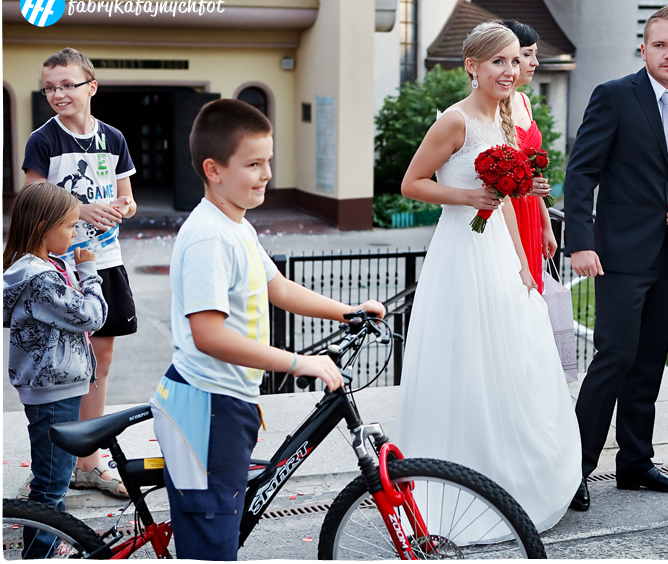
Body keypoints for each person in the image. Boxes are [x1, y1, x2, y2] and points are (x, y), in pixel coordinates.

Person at [149, 99, 385, 561]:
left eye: (268, 162)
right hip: (206, 408)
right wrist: (302, 363)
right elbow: (209, 335)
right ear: (213, 169)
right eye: (253, 164)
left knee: (220, 530)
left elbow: (275, 285)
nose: (266, 174)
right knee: (211, 548)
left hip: (226, 403)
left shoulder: (236, 225)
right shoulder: (209, 237)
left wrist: (347, 311)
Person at [395, 20, 581, 537]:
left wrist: (524, 262)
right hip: (459, 253)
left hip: (498, 249)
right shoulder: (454, 121)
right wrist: (466, 197)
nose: (509, 69)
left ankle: (514, 476)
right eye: (497, 61)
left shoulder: (505, 118)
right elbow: (412, 183)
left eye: (513, 61)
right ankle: (455, 477)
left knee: (514, 355)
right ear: (472, 66)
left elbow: (501, 205)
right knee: (467, 359)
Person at [564, 6, 668, 511]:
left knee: (649, 363)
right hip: (617, 255)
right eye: (660, 44)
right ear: (644, 48)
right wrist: (581, 242)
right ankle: (573, 471)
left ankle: (635, 464)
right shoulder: (613, 96)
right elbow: (581, 173)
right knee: (614, 358)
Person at [23, 47, 137, 499]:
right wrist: (82, 209)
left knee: (101, 361)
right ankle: (57, 462)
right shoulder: (42, 140)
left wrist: (121, 208)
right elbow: (32, 203)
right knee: (64, 366)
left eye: (67, 84)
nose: (57, 93)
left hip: (104, 260)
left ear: (91, 86)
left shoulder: (113, 137)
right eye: (50, 87)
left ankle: (89, 462)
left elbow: (128, 196)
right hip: (59, 266)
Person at [3, 183, 107, 541]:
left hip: (52, 387)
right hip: (53, 392)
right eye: (70, 226)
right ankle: (41, 553)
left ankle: (49, 545)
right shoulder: (41, 279)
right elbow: (92, 317)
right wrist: (90, 273)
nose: (76, 234)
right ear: (42, 228)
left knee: (54, 480)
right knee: (51, 486)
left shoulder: (38, 267)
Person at [501, 20, 557, 294]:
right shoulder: (493, 106)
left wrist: (546, 225)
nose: (535, 62)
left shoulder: (524, 101)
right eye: (527, 54)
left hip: (531, 212)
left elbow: (535, 175)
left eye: (535, 54)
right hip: (504, 212)